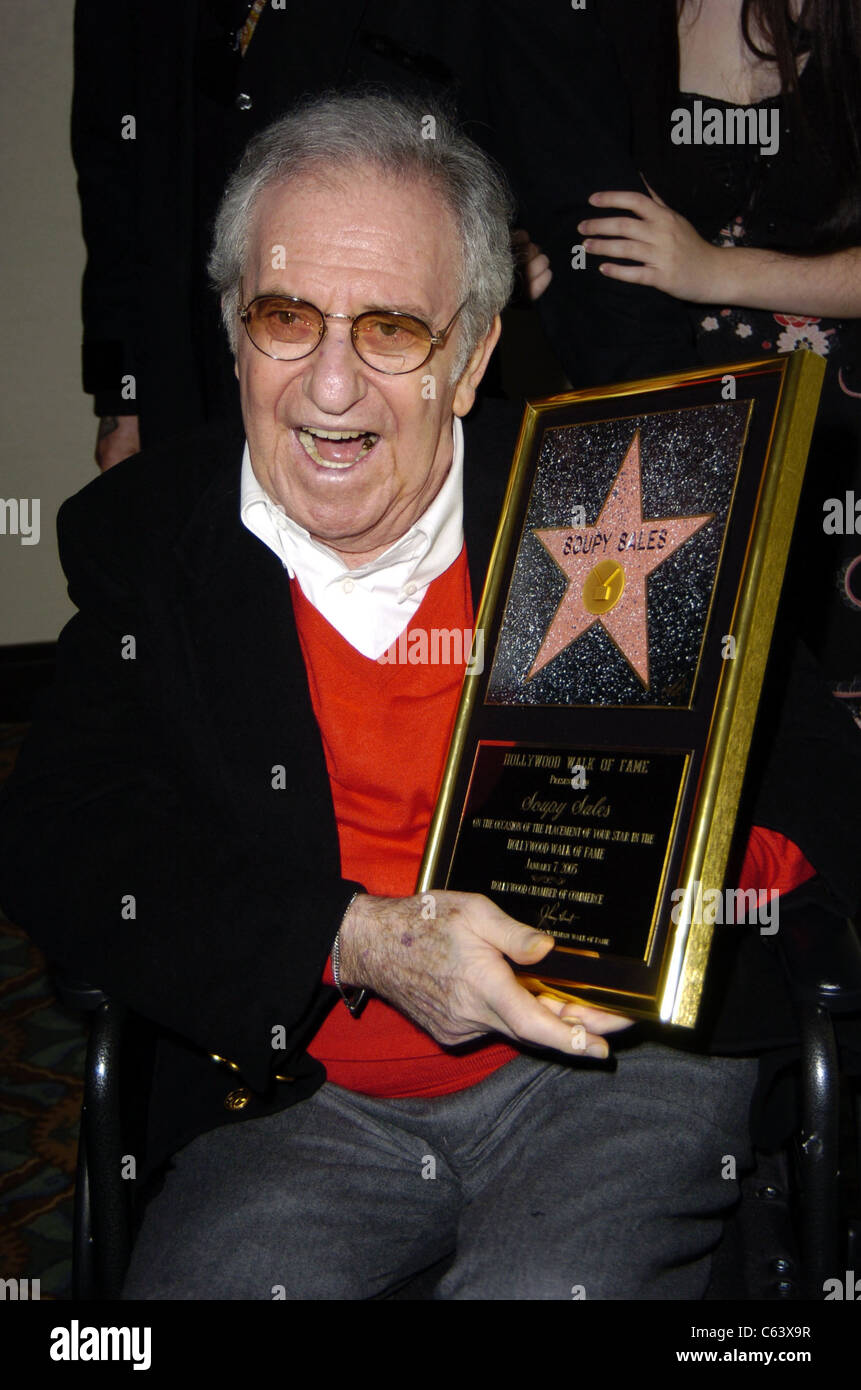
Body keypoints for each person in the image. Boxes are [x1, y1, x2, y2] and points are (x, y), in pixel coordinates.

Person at [1, 93, 857, 1300]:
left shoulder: (625, 499)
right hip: (304, 1096)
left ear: (468, 359)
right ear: (235, 335)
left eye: (394, 329)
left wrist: (681, 875)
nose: (332, 386)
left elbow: (820, 785)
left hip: (613, 1068)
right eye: (287, 318)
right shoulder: (152, 547)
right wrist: (356, 937)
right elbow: (62, 839)